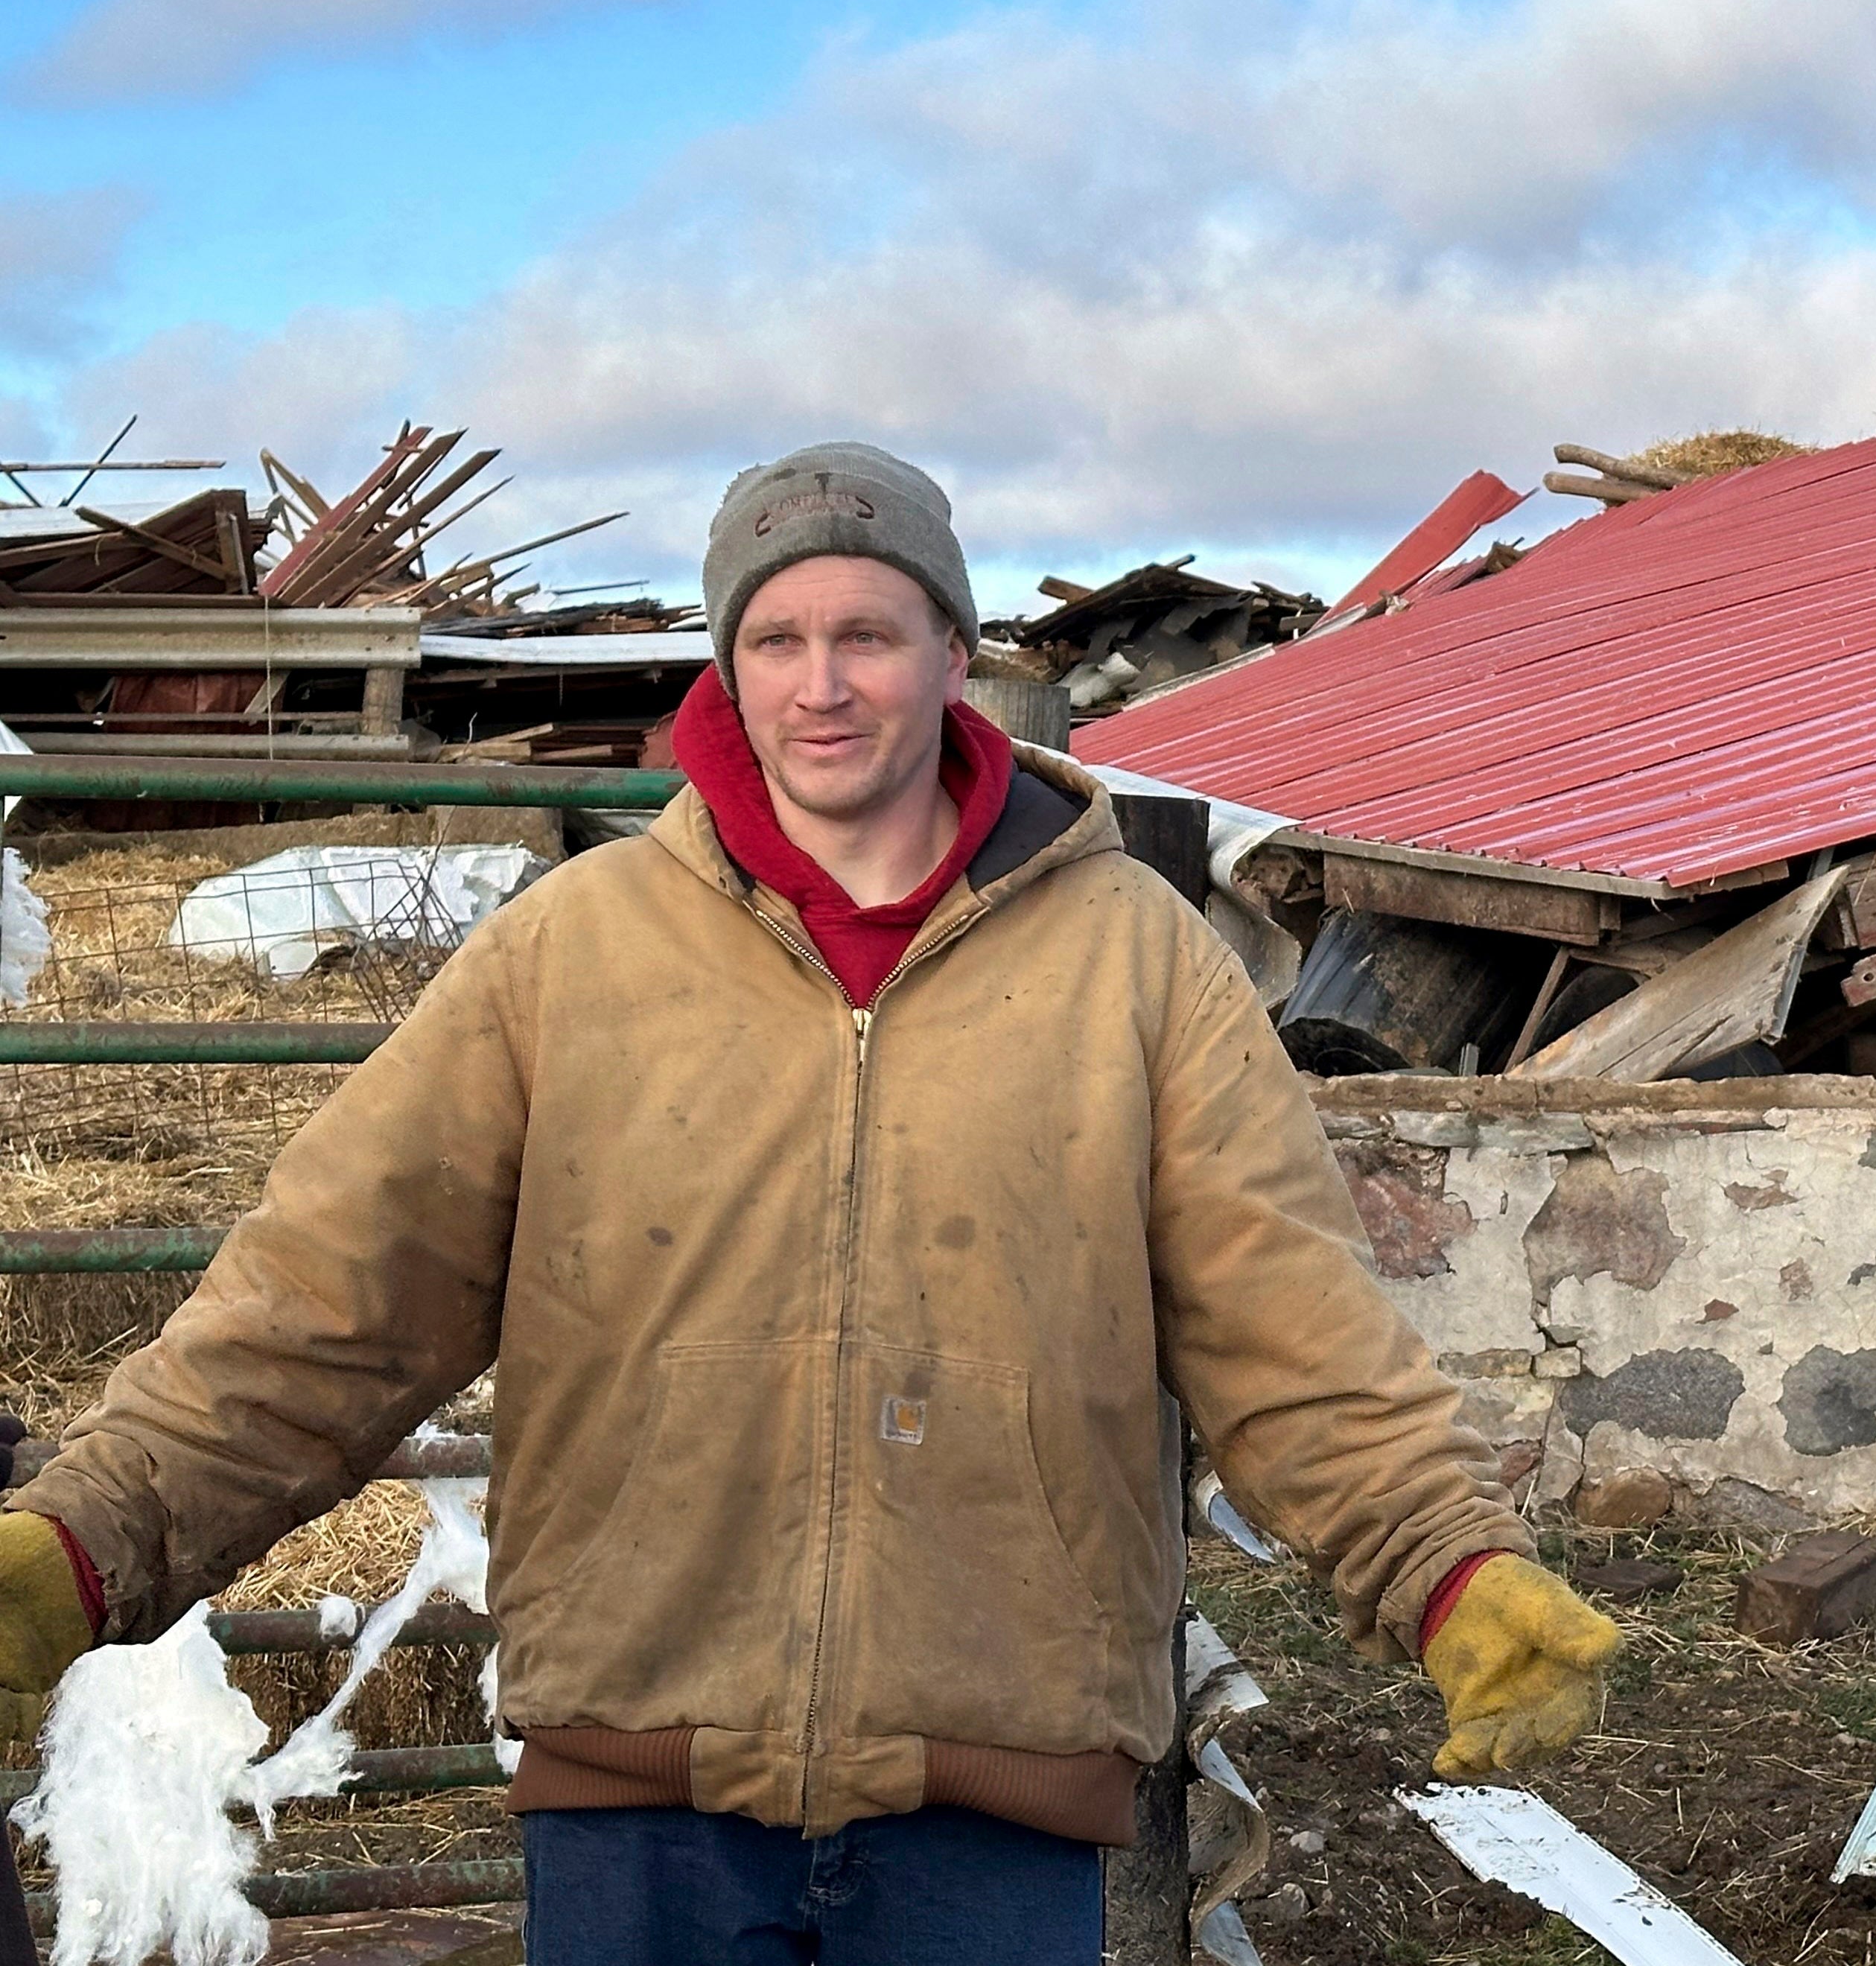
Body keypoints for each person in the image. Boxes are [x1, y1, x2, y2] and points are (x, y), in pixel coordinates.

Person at [0, 443, 1619, 1964]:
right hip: (644, 1794)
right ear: (727, 667)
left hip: (993, 1782)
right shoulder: (569, 958)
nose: (823, 683)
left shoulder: (1136, 964)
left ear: (953, 653)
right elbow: (322, 1307)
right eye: (776, 638)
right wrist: (86, 1542)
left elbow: (1292, 1327)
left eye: (870, 631)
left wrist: (1446, 1563)